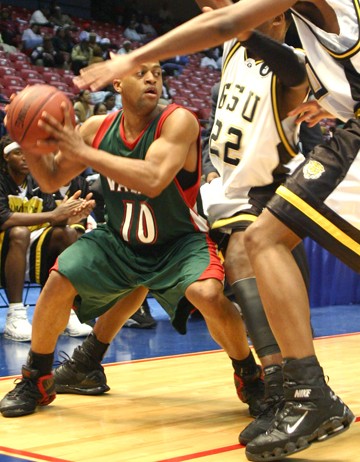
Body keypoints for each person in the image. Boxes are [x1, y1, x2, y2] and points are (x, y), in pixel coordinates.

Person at [73, 1, 358, 460]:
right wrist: (328, 103)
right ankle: (295, 391)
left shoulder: (286, 47)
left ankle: (296, 390)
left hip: (268, 182)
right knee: (249, 246)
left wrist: (129, 59)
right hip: (230, 185)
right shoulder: (247, 48)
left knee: (258, 243)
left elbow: (236, 27)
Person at [0, 61, 264, 418]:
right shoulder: (98, 127)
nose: (152, 78)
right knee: (59, 279)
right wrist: (27, 137)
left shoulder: (178, 120)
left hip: (179, 241)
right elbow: (49, 180)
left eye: (157, 72)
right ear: (119, 83)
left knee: (207, 294)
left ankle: (250, 374)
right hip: (121, 240)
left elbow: (154, 178)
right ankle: (37, 378)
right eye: (141, 73)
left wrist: (85, 152)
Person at [199, 3, 311, 446]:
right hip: (229, 191)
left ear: (279, 19)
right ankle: (288, 384)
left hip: (276, 187)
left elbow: (293, 72)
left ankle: (283, 388)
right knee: (252, 286)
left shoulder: (294, 66)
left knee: (243, 250)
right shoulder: (232, 47)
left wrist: (242, 27)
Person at [0, 135, 94, 341]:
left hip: (28, 245)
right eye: (18, 153)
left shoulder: (37, 181)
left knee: (68, 234)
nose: (25, 158)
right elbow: (3, 218)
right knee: (19, 231)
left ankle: (64, 311)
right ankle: (15, 314)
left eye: (27, 154)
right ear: (5, 158)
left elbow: (53, 218)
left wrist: (72, 216)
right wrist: (52, 216)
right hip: (5, 244)